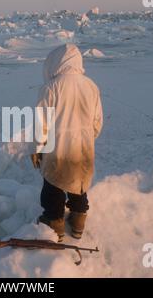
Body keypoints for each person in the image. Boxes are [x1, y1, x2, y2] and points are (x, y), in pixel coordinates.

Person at [31, 43, 103, 241]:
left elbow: (41, 123)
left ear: (56, 62)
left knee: (53, 183)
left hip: (57, 146)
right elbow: (97, 122)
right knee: (78, 181)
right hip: (83, 146)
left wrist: (36, 148)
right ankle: (79, 218)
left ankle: (54, 220)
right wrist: (86, 138)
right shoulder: (91, 86)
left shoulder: (51, 87)